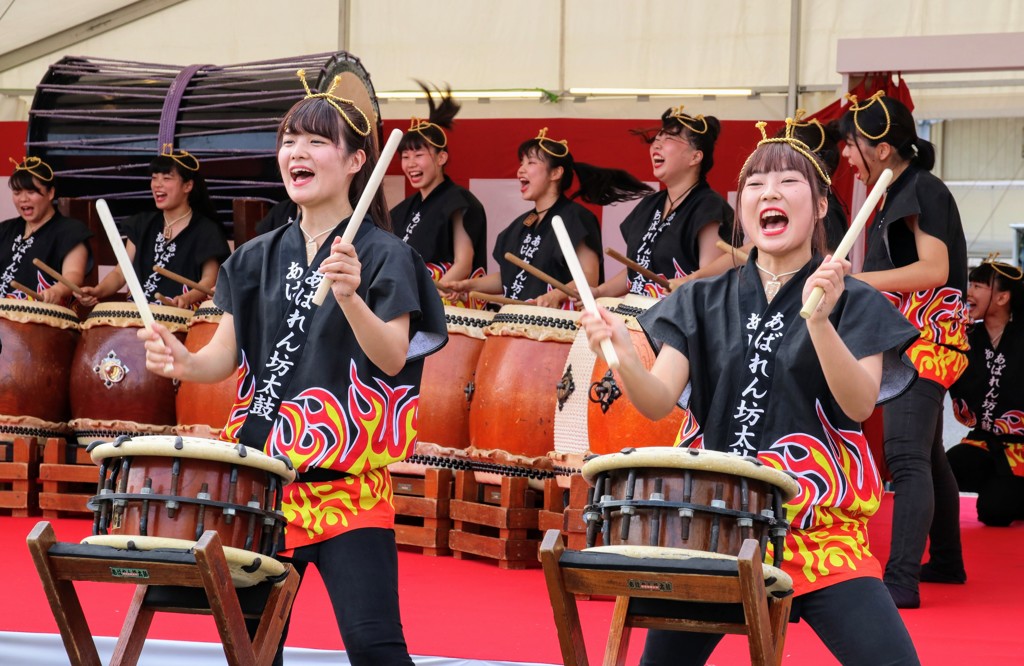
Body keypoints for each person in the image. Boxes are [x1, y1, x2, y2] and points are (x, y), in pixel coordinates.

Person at [579, 120, 921, 665]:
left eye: (788, 182)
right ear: (743, 211)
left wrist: (821, 322)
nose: (771, 194)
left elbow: (859, 403)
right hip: (716, 530)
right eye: (757, 186)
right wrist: (617, 351)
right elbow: (656, 402)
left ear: (821, 205)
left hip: (819, 535)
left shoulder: (854, 301)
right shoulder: (701, 300)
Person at [138, 69, 447, 665]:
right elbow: (221, 361)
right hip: (262, 492)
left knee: (375, 647)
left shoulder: (386, 256)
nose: (295, 153)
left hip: (349, 493)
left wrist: (352, 296)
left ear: (358, 161)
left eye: (315, 141)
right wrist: (182, 361)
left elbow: (390, 357)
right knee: (255, 652)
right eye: (288, 140)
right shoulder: (253, 256)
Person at [839, 91, 970, 608]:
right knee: (928, 455)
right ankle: (947, 561)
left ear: (885, 147)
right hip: (904, 339)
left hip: (928, 340)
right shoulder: (890, 193)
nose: (847, 156)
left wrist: (857, 281)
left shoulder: (923, 188)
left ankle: (900, 581)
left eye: (853, 145)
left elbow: (933, 270)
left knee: (905, 454)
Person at [446, 127, 650, 309]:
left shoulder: (576, 218)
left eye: (531, 162)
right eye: (521, 162)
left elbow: (589, 275)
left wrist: (557, 294)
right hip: (515, 324)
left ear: (556, 173)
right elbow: (510, 276)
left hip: (559, 328)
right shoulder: (519, 226)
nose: (521, 170)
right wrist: (469, 285)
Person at [595, 105, 732, 299]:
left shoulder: (708, 206)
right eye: (656, 140)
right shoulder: (649, 205)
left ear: (695, 157)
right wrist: (599, 292)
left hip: (678, 323)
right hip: (637, 319)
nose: (656, 145)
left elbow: (709, 280)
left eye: (668, 139)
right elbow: (637, 270)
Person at [78, 147, 229, 309]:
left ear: (187, 186)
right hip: (139, 314)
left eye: (166, 178)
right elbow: (121, 273)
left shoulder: (206, 230)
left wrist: (186, 298)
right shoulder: (142, 224)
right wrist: (98, 291)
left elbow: (209, 280)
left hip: (183, 317)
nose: (157, 185)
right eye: (154, 178)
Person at [391, 82, 487, 305]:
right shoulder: (403, 209)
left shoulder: (458, 201)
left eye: (418, 155)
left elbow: (464, 263)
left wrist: (426, 297)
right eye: (405, 156)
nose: (410, 164)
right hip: (412, 297)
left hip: (444, 300)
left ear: (441, 158)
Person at [948, 256, 1024, 528]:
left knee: (995, 513)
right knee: (944, 472)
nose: (969, 292)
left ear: (1002, 298)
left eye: (978, 286)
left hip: (1021, 449)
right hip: (981, 442)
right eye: (970, 284)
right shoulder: (965, 338)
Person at [1, 157, 92, 304]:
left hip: (43, 321)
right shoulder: (5, 229)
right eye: (17, 192)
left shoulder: (71, 231)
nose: (23, 199)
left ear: (50, 193)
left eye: (31, 192)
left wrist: (57, 290)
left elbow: (73, 274)